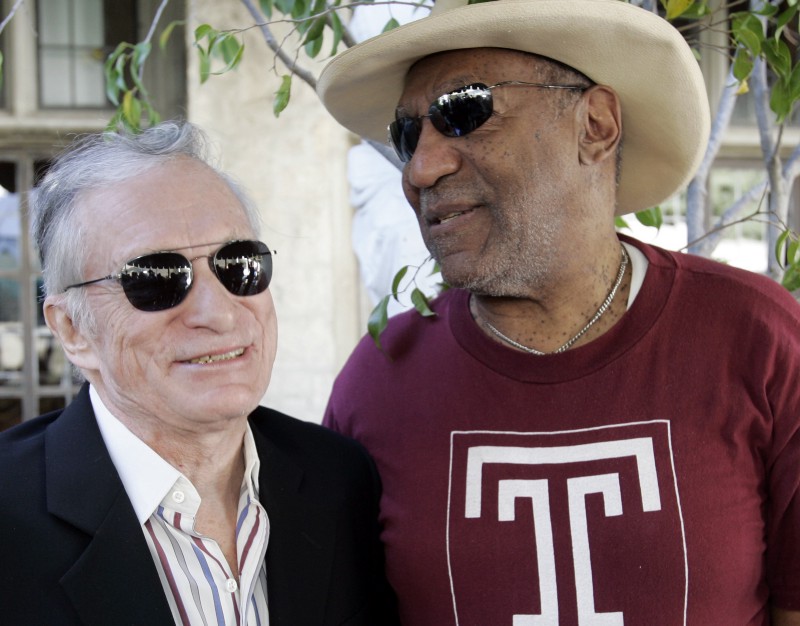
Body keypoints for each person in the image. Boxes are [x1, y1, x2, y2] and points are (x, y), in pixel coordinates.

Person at [316, 0, 800, 624]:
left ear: (595, 124)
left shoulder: (756, 339)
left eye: (464, 110)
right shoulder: (380, 382)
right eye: (407, 135)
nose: (419, 168)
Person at [0, 120, 398, 625]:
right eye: (157, 278)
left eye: (238, 264)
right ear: (73, 329)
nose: (221, 312)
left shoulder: (338, 480)